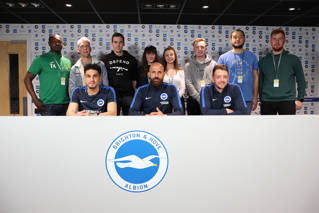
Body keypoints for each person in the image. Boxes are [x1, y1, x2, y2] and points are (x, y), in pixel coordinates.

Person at [258, 28, 306, 115]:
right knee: (267, 128)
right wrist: (261, 98)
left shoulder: (293, 59)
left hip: (287, 100)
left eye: (280, 39)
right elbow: (260, 82)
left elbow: (301, 80)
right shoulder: (263, 61)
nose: (277, 42)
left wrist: (300, 99)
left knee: (288, 128)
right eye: (274, 39)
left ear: (284, 41)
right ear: (270, 41)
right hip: (267, 101)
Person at [24, 33, 72, 115]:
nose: (57, 43)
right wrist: (35, 99)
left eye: (59, 42)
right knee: (49, 128)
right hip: (48, 105)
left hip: (66, 104)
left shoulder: (67, 61)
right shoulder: (41, 59)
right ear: (49, 44)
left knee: (65, 128)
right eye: (54, 41)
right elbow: (27, 79)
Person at [217, 29, 258, 115]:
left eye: (240, 37)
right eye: (235, 37)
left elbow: (256, 78)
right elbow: (219, 80)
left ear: (244, 39)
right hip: (228, 98)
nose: (237, 39)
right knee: (228, 126)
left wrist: (255, 97)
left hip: (247, 99)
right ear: (230, 40)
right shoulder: (223, 58)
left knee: (244, 126)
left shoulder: (252, 57)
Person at [100, 32, 138, 115]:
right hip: (112, 95)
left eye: (120, 42)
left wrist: (134, 94)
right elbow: (102, 79)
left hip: (128, 95)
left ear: (124, 43)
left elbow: (134, 80)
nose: (118, 45)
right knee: (113, 120)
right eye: (115, 42)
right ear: (112, 44)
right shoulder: (105, 59)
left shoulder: (131, 59)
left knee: (129, 119)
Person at [185, 38, 217, 115]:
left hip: (210, 100)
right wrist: (199, 98)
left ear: (206, 48)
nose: (199, 49)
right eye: (197, 47)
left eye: (202, 47)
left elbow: (216, 82)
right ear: (194, 49)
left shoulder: (214, 64)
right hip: (194, 101)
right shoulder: (188, 65)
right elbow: (188, 83)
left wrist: (207, 98)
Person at [162, 46, 186, 113]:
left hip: (178, 100)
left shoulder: (181, 71)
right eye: (167, 55)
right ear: (164, 58)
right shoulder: (161, 72)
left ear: (175, 56)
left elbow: (182, 88)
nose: (169, 57)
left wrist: (175, 100)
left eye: (171, 54)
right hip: (164, 101)